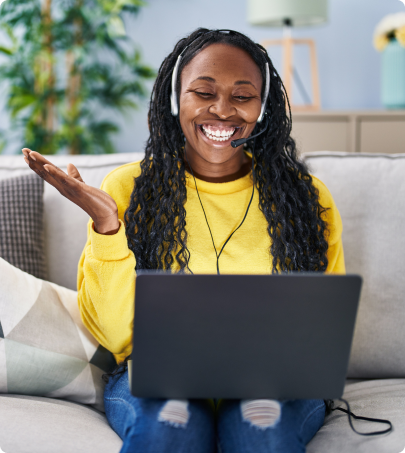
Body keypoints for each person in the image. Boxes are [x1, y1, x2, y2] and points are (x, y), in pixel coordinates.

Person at [22, 28, 345, 453]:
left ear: (263, 108)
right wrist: (107, 226)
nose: (223, 110)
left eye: (243, 96)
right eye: (203, 92)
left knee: (260, 430)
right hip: (158, 377)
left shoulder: (306, 197)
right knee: (168, 430)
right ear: (176, 100)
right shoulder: (129, 188)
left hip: (271, 381)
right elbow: (116, 337)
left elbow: (324, 333)